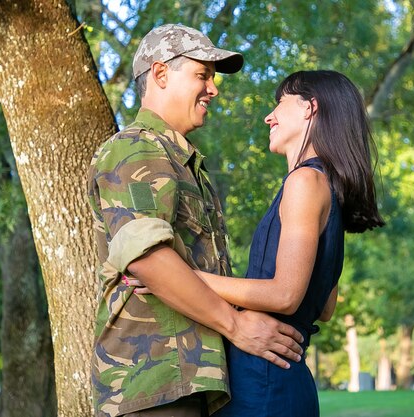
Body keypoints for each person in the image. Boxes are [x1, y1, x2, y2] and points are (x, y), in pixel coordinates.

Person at [131, 70, 385, 416]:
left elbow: (285, 295)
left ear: (311, 107)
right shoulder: (330, 188)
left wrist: (185, 277)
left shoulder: (305, 182)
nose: (270, 116)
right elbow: (323, 308)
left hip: (262, 379)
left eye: (279, 103)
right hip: (288, 376)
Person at [87, 24, 304, 417]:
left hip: (186, 381)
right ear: (160, 74)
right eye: (202, 75)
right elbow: (147, 258)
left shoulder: (182, 160)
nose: (213, 89)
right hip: (153, 382)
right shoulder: (135, 148)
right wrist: (238, 328)